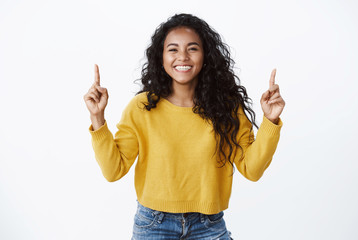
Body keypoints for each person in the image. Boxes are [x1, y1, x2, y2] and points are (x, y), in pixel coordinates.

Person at [84, 13, 285, 240]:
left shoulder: (225, 107)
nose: (183, 57)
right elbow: (113, 171)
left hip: (208, 225)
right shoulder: (141, 108)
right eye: (173, 49)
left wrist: (271, 121)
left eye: (192, 48)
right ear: (161, 57)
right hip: (153, 224)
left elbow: (253, 170)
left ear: (205, 55)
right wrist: (97, 117)